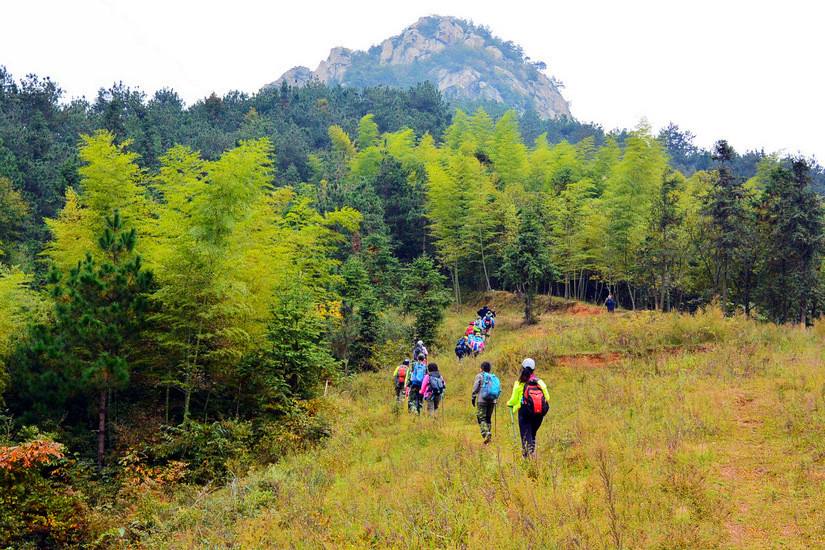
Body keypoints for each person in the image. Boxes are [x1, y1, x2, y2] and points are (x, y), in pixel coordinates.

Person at [506, 358, 550, 458]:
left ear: (522, 368)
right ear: (534, 369)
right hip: (539, 412)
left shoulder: (519, 383)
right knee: (532, 433)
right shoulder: (540, 382)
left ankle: (528, 455)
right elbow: (547, 397)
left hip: (524, 412)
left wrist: (509, 403)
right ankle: (531, 452)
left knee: (525, 434)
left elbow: (513, 400)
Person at [471, 361, 501, 444]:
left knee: (481, 418)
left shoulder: (480, 376)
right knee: (488, 418)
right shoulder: (493, 377)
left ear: (482, 369)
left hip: (482, 400)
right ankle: (488, 438)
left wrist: (473, 397)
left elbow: (475, 387)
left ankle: (486, 433)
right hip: (492, 401)